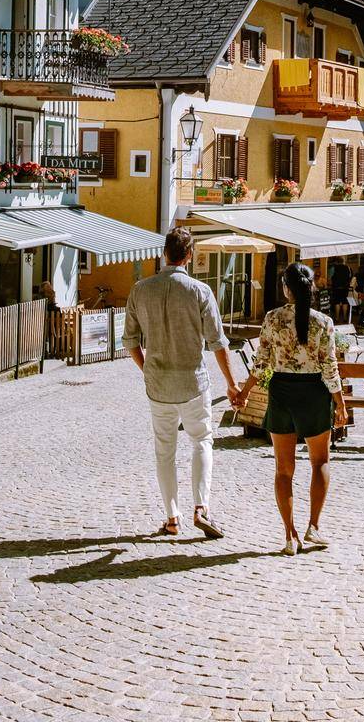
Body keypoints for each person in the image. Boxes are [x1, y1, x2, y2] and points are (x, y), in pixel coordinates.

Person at [123, 226, 239, 540]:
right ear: (189, 255)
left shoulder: (140, 290)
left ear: (164, 253)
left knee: (164, 452)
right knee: (202, 441)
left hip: (158, 384)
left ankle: (172, 518)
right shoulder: (200, 292)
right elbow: (217, 342)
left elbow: (131, 341)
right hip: (193, 382)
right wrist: (232, 384)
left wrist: (146, 369)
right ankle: (201, 506)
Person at [231, 262, 348, 555]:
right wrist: (340, 404)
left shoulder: (272, 319)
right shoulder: (323, 322)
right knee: (319, 461)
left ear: (286, 288)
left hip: (282, 391)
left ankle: (289, 536)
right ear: (311, 287)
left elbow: (262, 362)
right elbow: (329, 367)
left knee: (283, 470)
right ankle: (314, 527)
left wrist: (244, 393)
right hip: (313, 392)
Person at [328, 258, 351, 322]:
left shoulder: (333, 268)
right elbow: (349, 277)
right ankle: (345, 318)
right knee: (345, 302)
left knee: (337, 302)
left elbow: (329, 279)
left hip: (336, 288)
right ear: (343, 261)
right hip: (345, 288)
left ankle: (337, 318)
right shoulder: (348, 268)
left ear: (336, 262)